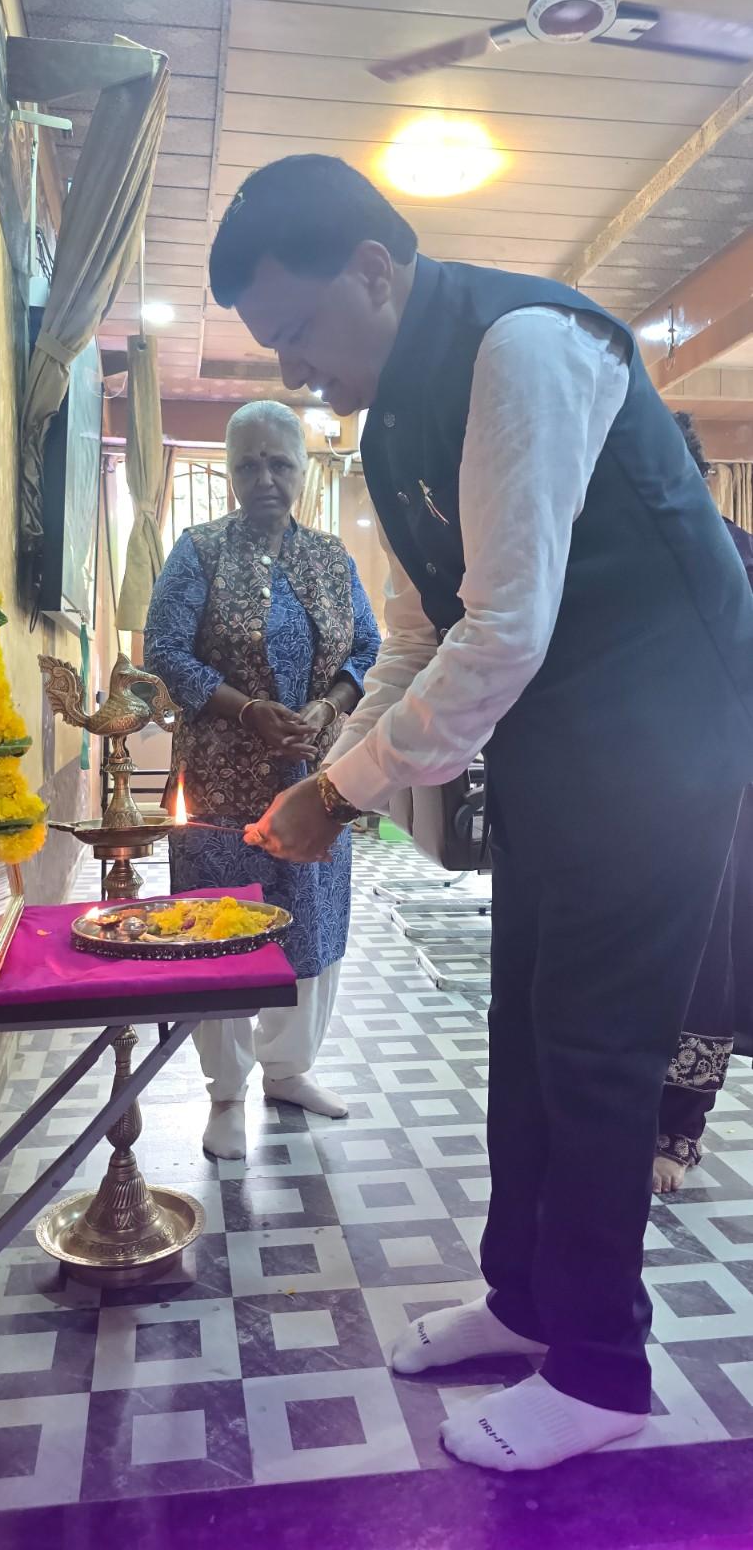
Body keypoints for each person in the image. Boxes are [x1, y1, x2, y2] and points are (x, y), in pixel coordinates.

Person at [208, 155, 753, 1471]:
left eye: (297, 330)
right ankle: (526, 1301)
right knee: (527, 1026)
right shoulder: (392, 419)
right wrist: (335, 767)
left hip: (669, 738)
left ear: (373, 270)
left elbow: (505, 627)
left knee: (599, 1050)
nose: (292, 369)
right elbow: (420, 632)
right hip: (567, 745)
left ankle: (602, 1371)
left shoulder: (525, 347)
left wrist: (336, 794)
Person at [144, 400, 380, 1160]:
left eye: (279, 463)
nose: (265, 479)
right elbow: (164, 651)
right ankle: (225, 1093)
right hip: (221, 785)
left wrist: (327, 706)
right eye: (248, 465)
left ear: (303, 468)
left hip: (314, 782)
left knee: (312, 925)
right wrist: (247, 710)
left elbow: (367, 649)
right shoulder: (199, 551)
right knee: (222, 932)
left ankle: (288, 1071)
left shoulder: (331, 559)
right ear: (229, 472)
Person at [654, 412, 753, 1194]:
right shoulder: (608, 559)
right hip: (616, 794)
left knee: (705, 966)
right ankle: (614, 1117)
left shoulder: (742, 557)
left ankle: (676, 1130)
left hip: (720, 796)